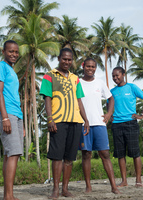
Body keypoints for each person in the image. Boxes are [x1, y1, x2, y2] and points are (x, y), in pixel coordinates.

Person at [40, 48, 89, 199]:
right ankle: (55, 189)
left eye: (69, 60)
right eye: (64, 59)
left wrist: (85, 120)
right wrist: (50, 118)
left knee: (69, 157)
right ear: (59, 58)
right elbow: (47, 98)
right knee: (57, 156)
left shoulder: (75, 78)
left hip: (75, 121)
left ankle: (65, 189)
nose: (67, 62)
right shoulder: (49, 76)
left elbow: (79, 100)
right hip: (58, 120)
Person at [79, 58, 120, 194]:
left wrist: (109, 114)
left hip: (99, 124)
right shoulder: (77, 82)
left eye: (93, 67)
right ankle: (88, 187)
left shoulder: (100, 83)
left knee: (105, 154)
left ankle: (114, 187)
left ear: (96, 68)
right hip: (84, 124)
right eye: (88, 66)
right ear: (83, 66)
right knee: (86, 155)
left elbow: (111, 98)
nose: (90, 69)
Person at [0, 40, 24, 200]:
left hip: (16, 114)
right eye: (11, 51)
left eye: (16, 52)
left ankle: (8, 194)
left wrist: (21, 121)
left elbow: (14, 95)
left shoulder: (12, 70)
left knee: (10, 154)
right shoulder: (0, 67)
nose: (14, 54)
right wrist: (5, 117)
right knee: (14, 153)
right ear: (4, 51)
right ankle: (8, 196)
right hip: (7, 113)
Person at [109, 66, 143, 188]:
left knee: (135, 152)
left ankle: (138, 180)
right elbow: (108, 104)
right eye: (113, 76)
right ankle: (124, 181)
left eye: (117, 75)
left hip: (130, 124)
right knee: (120, 154)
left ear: (123, 74)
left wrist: (142, 114)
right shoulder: (112, 91)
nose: (115, 78)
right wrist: (110, 115)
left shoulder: (131, 87)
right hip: (116, 125)